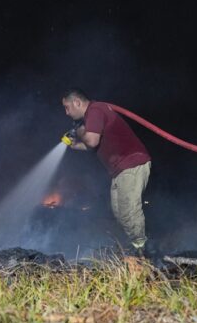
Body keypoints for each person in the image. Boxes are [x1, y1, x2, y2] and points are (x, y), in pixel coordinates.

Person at [61, 88, 153, 256]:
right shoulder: (93, 114)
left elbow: (92, 141)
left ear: (77, 102)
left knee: (128, 210)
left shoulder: (95, 110)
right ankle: (136, 246)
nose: (66, 112)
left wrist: (80, 132)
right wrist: (74, 145)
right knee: (119, 212)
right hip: (119, 170)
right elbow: (91, 146)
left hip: (131, 163)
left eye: (67, 107)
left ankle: (142, 251)